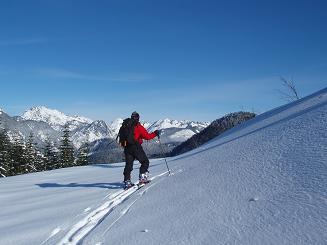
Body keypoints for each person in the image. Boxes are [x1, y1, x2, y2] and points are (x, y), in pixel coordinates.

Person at [120, 111, 159, 189]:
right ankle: (142, 179)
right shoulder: (138, 126)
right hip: (136, 147)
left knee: (128, 165)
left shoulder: (125, 126)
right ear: (138, 118)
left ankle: (127, 182)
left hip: (127, 148)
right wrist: (155, 133)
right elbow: (147, 136)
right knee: (145, 162)